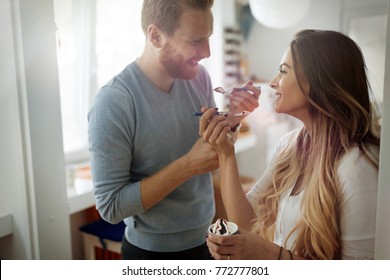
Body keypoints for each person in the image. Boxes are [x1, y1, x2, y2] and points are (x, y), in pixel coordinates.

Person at [88, 0, 260, 260]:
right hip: (150, 254)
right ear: (156, 36)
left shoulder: (199, 77)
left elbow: (212, 160)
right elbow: (110, 207)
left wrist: (233, 120)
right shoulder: (114, 101)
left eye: (208, 38)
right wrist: (187, 165)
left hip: (207, 240)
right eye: (195, 41)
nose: (207, 52)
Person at [200, 29, 381, 260]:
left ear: (317, 80)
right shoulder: (290, 145)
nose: (273, 83)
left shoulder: (358, 166)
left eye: (283, 72)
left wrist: (274, 256)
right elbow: (244, 221)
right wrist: (226, 153)